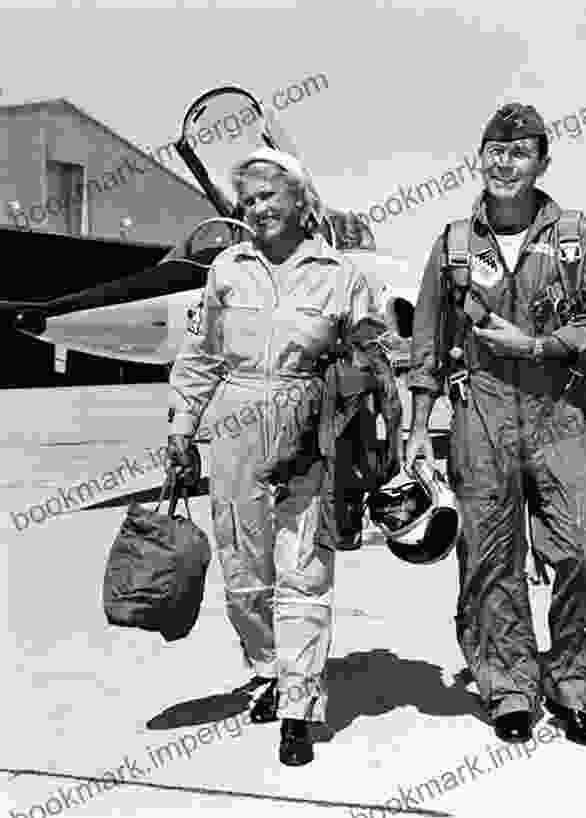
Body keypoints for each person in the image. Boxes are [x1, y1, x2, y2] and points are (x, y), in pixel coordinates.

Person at [406, 103, 586, 746]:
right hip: (481, 412)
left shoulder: (577, 237)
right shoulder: (451, 246)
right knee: (490, 559)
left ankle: (578, 684)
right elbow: (427, 342)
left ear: (542, 163)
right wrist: (419, 428)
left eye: (519, 151)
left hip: (561, 412)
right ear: (480, 159)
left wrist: (536, 346)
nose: (504, 163)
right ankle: (508, 687)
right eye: (494, 151)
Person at [166, 147, 382, 766]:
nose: (257, 208)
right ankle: (265, 669)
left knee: (304, 568)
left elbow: (373, 358)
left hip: (308, 428)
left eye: (268, 195)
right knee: (242, 573)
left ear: (300, 200)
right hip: (235, 425)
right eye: (249, 199)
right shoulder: (227, 270)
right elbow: (202, 355)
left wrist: (369, 431)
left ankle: (298, 703)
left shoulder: (340, 275)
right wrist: (183, 427)